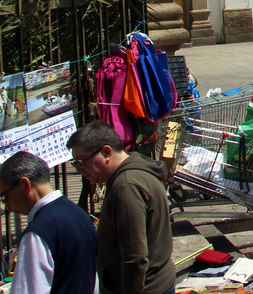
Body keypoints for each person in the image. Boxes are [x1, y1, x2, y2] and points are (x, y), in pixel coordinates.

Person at [66, 121, 174, 294]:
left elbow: (135, 258)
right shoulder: (134, 172)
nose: (81, 170)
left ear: (106, 152)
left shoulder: (126, 186)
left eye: (81, 162)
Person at [0, 151, 98, 294]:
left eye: (5, 196)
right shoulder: (80, 216)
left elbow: (29, 289)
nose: (6, 206)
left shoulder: (39, 231)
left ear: (24, 184)